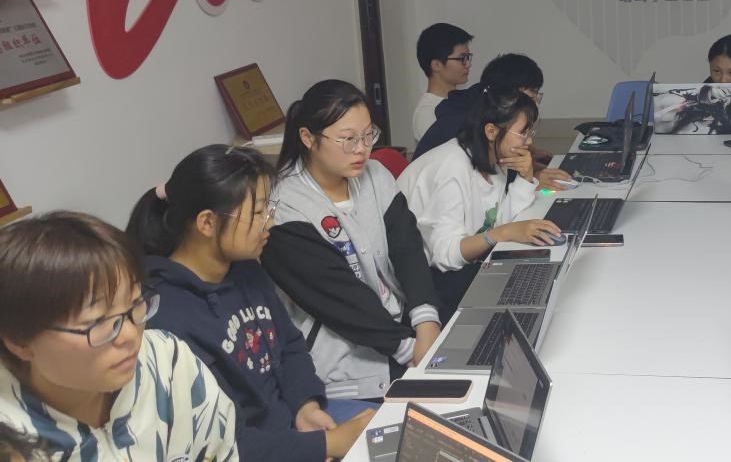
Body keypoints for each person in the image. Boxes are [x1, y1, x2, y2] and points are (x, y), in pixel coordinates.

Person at [127, 144, 375, 461]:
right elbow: (222, 443)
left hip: (294, 431)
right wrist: (327, 445)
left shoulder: (246, 270)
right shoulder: (168, 321)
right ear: (207, 223)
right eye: (258, 213)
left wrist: (305, 406)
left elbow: (289, 344)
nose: (269, 223)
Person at [0, 212, 238, 460]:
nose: (130, 334)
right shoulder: (13, 445)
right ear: (19, 341)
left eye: (135, 303)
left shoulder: (168, 363)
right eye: (98, 322)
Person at [261, 80, 443, 402]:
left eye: (368, 135)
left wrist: (426, 319)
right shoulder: (285, 208)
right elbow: (338, 298)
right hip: (348, 357)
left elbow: (407, 249)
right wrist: (409, 349)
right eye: (348, 139)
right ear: (308, 138)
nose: (362, 149)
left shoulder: (375, 175)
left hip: (402, 327)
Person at [399, 87, 563, 320]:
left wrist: (526, 178)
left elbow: (499, 221)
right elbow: (446, 255)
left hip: (459, 268)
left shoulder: (492, 158)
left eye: (530, 132)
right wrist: (502, 233)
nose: (529, 141)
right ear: (491, 131)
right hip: (425, 285)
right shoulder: (452, 168)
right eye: (523, 133)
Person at [414, 54, 568, 192]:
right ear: (508, 95)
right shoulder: (462, 130)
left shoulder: (482, 109)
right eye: (531, 98)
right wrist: (531, 181)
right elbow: (484, 191)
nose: (534, 105)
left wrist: (528, 164)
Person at [413, 23, 473, 142]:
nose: (468, 64)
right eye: (462, 58)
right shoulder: (428, 112)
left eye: (468, 57)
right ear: (436, 65)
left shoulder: (462, 101)